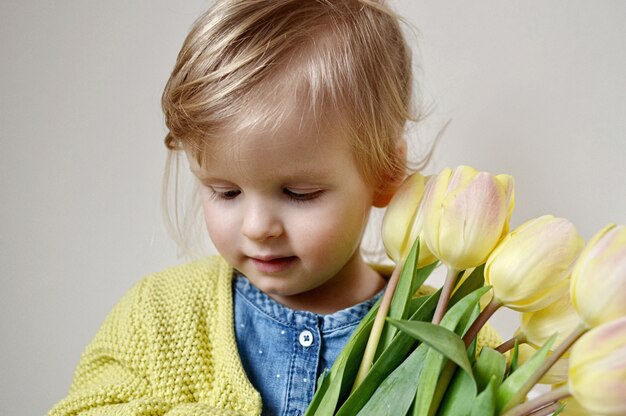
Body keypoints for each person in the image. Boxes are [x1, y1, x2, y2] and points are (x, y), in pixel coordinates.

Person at [49, 1, 498, 415]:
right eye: (225, 192)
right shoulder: (159, 314)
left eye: (298, 193)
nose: (258, 226)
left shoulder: (456, 333)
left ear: (383, 172)